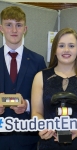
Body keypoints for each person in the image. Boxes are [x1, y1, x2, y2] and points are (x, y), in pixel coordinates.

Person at [31, 28, 77, 150]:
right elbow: (36, 113)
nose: (66, 50)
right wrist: (42, 126)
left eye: (71, 46)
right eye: (61, 45)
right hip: (49, 144)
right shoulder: (40, 77)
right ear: (54, 50)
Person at [0, 6, 46, 150]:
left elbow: (46, 97)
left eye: (18, 25)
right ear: (1, 28)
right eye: (9, 25)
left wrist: (27, 105)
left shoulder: (38, 60)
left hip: (26, 139)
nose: (14, 30)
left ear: (25, 29)